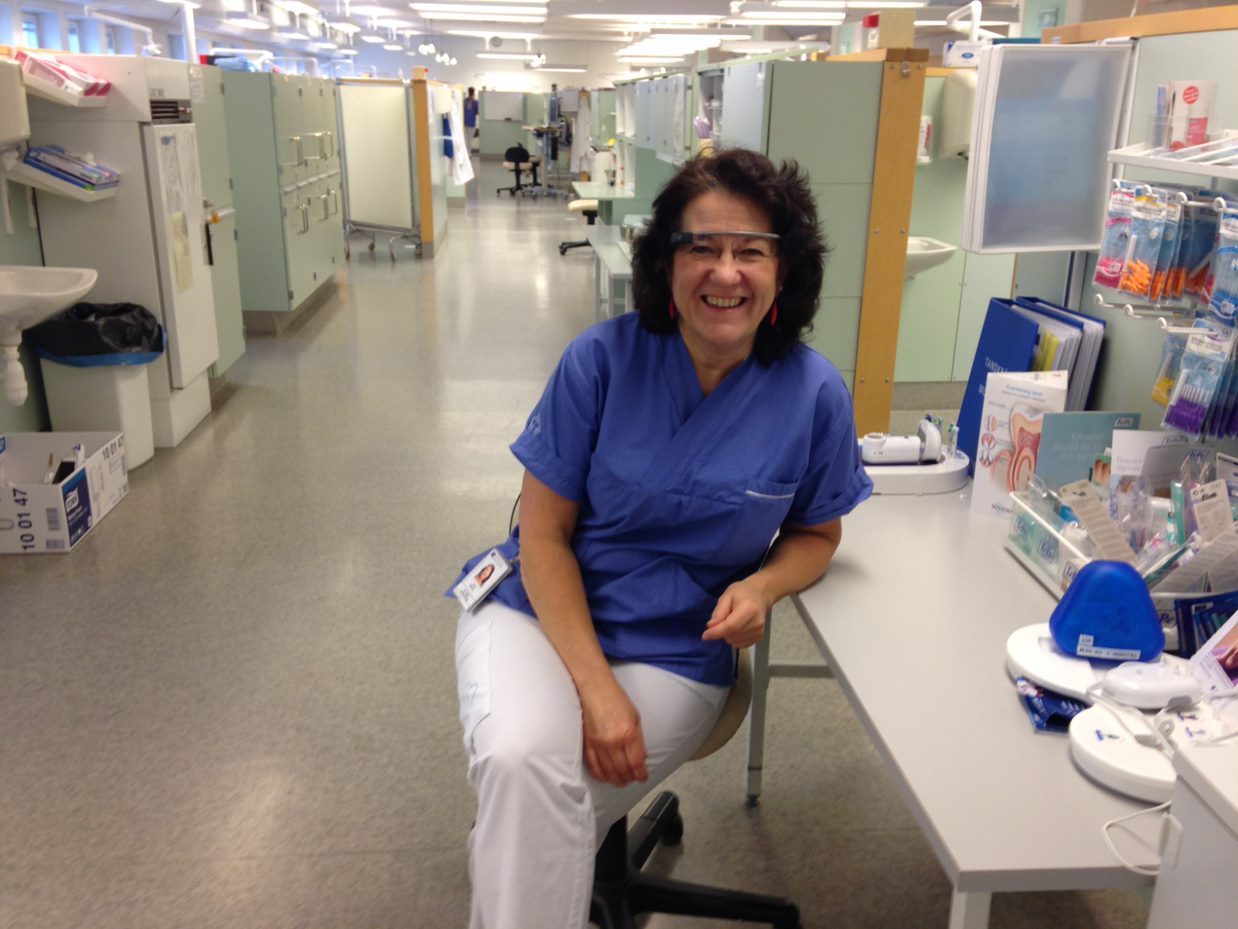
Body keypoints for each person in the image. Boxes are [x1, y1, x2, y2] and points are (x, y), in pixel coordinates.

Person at [448, 147, 872, 929]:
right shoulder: (600, 361)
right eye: (701, 246)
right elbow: (541, 536)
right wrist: (596, 690)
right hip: (539, 612)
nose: (725, 271)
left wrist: (762, 585)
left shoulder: (814, 393)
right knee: (522, 766)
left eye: (751, 250)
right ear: (665, 262)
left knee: (536, 790)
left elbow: (818, 530)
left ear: (785, 270)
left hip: (677, 647)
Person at [463, 86, 479, 153]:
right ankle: (468, 153)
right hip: (467, 123)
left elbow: (477, 112)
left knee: (468, 140)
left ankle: (468, 153)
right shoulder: (465, 101)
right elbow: (477, 113)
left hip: (469, 123)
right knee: (468, 140)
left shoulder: (474, 102)